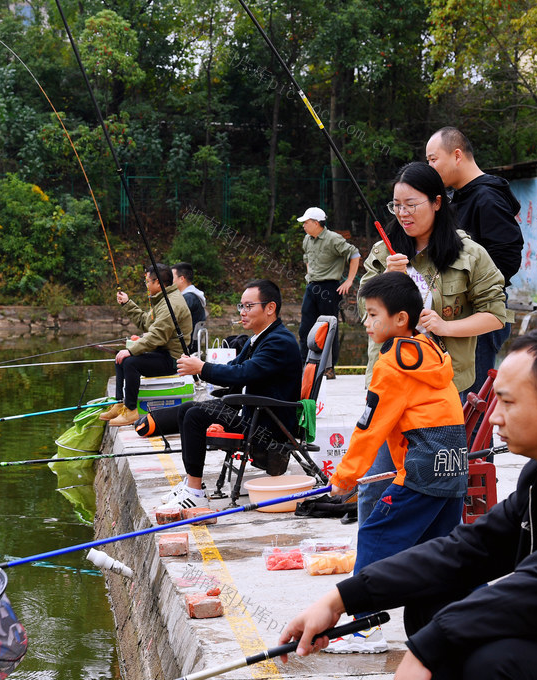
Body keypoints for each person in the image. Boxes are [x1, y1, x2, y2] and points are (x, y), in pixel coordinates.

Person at [278, 326, 537, 680]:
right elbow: (469, 548)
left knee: (495, 660)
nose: (493, 417)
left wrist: (428, 648)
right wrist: (340, 599)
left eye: (507, 402)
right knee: (432, 600)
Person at [321, 272, 468, 654]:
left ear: (400, 319)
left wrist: (346, 477)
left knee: (375, 535)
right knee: (442, 550)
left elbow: (370, 428)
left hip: (421, 471)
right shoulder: (431, 350)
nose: (366, 323)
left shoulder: (392, 366)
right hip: (453, 469)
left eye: (372, 315)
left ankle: (363, 625)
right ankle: (461, 619)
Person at [356, 162, 507, 524]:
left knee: (441, 485)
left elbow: (496, 314)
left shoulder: (469, 255)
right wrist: (386, 287)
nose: (403, 214)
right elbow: (367, 315)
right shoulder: (384, 252)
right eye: (396, 206)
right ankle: (373, 573)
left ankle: (435, 568)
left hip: (444, 390)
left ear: (437, 202)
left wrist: (445, 325)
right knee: (376, 481)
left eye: (412, 204)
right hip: (389, 385)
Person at [157, 280, 301, 510]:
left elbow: (243, 373)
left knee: (195, 415)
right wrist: (201, 369)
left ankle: (194, 492)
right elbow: (235, 366)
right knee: (188, 409)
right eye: (240, 306)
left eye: (248, 306)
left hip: (268, 427)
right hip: (254, 414)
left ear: (270, 308)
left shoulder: (279, 342)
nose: (242, 313)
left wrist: (202, 367)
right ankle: (192, 484)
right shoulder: (260, 337)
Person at [426, 127, 523, 396]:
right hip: (455, 315)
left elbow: (508, 256)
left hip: (480, 315)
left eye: (433, 159)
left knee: (471, 403)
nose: (430, 167)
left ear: (457, 155)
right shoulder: (459, 197)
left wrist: (472, 290)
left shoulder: (486, 197)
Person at [99, 264, 192, 427]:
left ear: (158, 283)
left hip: (173, 359)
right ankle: (120, 403)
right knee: (120, 358)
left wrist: (131, 350)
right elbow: (146, 323)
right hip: (162, 352)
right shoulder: (162, 300)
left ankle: (131, 410)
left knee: (130, 362)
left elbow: (158, 335)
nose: (146, 285)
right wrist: (127, 304)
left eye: (147, 281)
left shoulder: (171, 304)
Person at [297, 206, 361, 378]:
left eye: (306, 222)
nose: (304, 225)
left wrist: (348, 281)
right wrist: (310, 274)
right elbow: (307, 257)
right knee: (305, 328)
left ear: (316, 223)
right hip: (312, 287)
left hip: (330, 288)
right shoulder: (307, 239)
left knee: (328, 328)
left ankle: (329, 367)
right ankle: (304, 364)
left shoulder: (333, 239)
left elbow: (354, 254)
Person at [172, 262, 208, 352]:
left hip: (185, 346)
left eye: (172, 277)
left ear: (182, 279)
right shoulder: (191, 296)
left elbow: (172, 319)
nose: (169, 281)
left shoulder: (189, 298)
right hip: (189, 343)